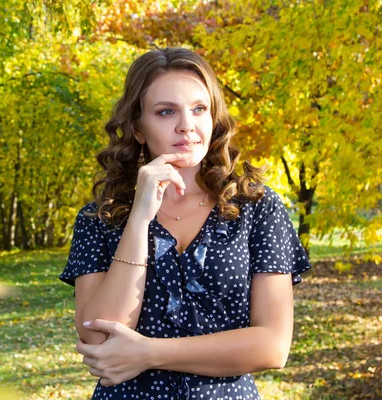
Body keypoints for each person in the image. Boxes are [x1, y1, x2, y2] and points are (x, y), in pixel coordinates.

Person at [59, 47, 311, 399]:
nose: (186, 125)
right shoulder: (99, 218)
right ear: (138, 128)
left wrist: (149, 353)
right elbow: (99, 339)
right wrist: (139, 219)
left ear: (213, 118)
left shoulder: (257, 208)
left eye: (199, 109)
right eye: (165, 112)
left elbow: (272, 346)